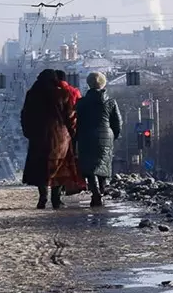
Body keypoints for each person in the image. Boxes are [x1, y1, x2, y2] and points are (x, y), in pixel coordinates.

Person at [20, 68, 84, 208]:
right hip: (60, 138)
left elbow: (25, 115)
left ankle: (42, 198)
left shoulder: (32, 94)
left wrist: (28, 132)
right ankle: (56, 199)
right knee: (59, 169)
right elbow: (71, 116)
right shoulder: (63, 93)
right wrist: (72, 132)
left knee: (41, 168)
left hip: (38, 137)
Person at [74, 71, 123, 208]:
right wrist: (114, 136)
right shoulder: (111, 102)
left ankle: (95, 193)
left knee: (90, 167)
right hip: (105, 135)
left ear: (89, 84)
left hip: (86, 135)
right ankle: (101, 189)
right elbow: (118, 123)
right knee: (103, 164)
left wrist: (76, 138)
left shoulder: (81, 103)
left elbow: (76, 121)